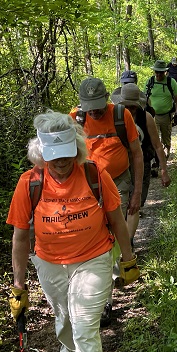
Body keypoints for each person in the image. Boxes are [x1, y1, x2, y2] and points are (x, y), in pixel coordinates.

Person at [7, 111, 139, 352]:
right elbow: (20, 237)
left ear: (77, 148)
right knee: (64, 319)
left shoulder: (95, 174)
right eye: (54, 156)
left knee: (84, 327)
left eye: (67, 154)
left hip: (94, 258)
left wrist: (127, 259)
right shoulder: (29, 184)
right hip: (49, 263)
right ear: (40, 153)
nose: (61, 162)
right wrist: (19, 285)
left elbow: (116, 219)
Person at [71, 77, 144, 325]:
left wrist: (136, 192)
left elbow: (137, 154)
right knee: (93, 235)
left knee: (112, 234)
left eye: (98, 106)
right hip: (87, 186)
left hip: (118, 182)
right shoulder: (74, 120)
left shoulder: (122, 115)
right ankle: (90, 286)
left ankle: (105, 298)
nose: (94, 111)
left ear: (106, 99)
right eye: (89, 106)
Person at [112, 83, 171, 242]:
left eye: (133, 107)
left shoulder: (146, 118)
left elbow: (157, 145)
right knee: (119, 204)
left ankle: (129, 241)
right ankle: (122, 241)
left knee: (134, 204)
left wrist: (164, 170)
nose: (129, 110)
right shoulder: (113, 117)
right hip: (119, 166)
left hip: (141, 164)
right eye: (126, 106)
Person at [145, 60, 177, 160]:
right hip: (152, 116)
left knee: (166, 139)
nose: (158, 74)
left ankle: (165, 157)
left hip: (166, 116)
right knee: (153, 139)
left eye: (160, 72)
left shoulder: (171, 82)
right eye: (156, 72)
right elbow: (144, 98)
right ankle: (156, 160)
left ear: (165, 72)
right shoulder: (150, 82)